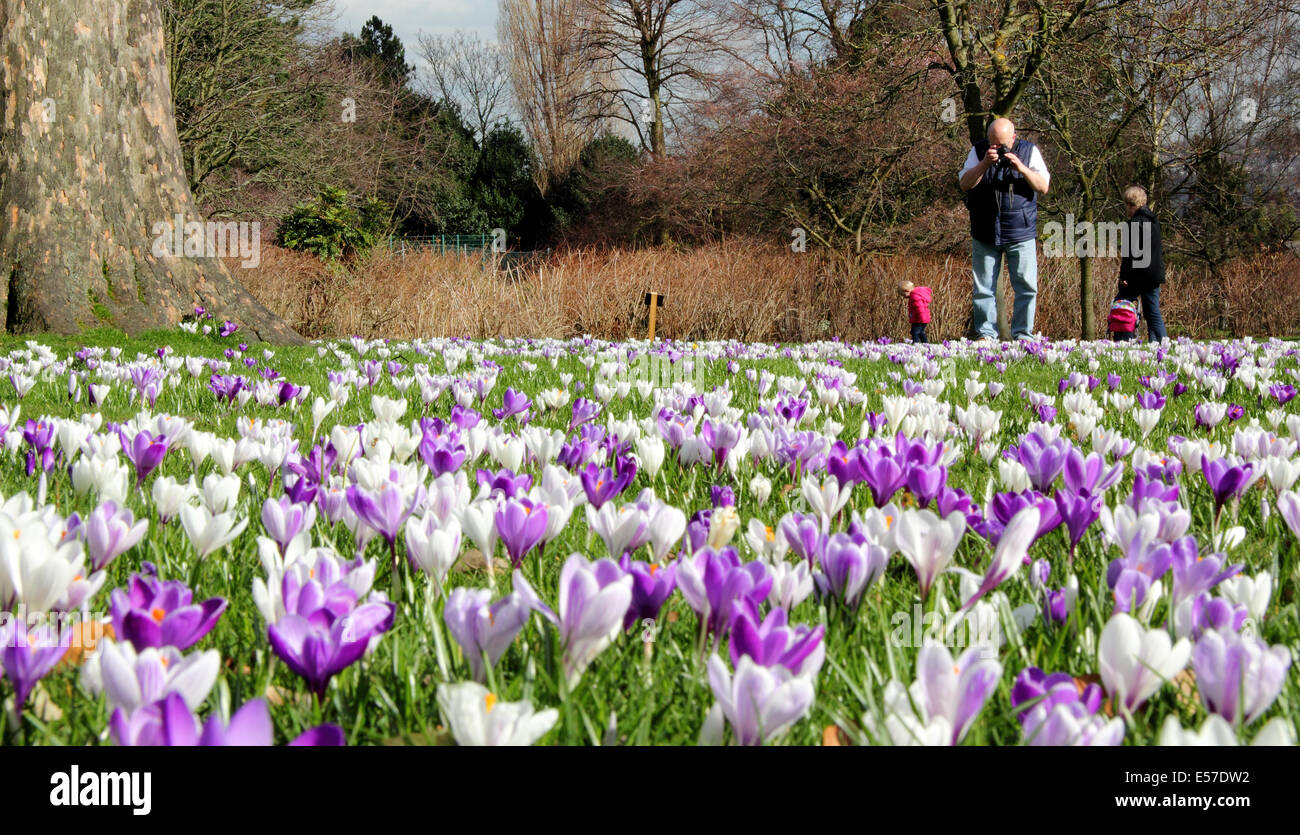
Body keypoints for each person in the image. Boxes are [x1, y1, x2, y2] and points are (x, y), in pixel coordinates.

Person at [958, 118, 1051, 341]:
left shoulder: (1029, 151)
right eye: (994, 144)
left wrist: (1021, 167)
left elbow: (1043, 186)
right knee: (983, 287)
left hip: (1021, 230)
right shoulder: (978, 151)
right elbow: (964, 183)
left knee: (1026, 286)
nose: (998, 149)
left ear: (1014, 137)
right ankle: (986, 335)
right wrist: (984, 164)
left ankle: (1023, 335)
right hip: (985, 230)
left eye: (1002, 145)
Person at [1116, 185, 1166, 343]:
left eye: (1126, 205)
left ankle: (1123, 340)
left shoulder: (1133, 224)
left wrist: (1123, 276)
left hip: (1139, 275)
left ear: (1131, 205)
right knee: (1152, 312)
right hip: (1154, 274)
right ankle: (1159, 343)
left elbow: (1129, 255)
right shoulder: (1154, 222)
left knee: (1121, 304)